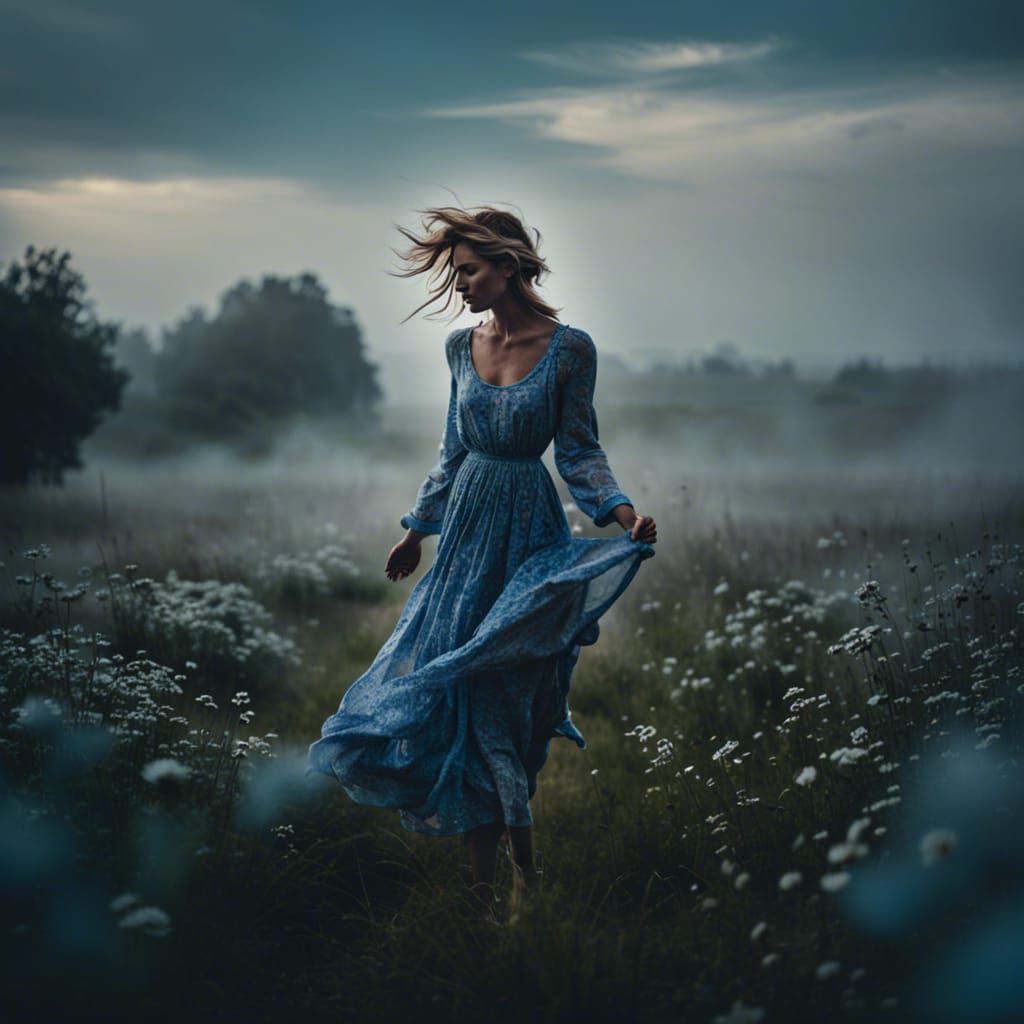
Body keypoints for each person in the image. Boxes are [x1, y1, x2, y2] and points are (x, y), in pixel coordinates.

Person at [307, 204, 657, 919]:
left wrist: (623, 515)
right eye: (455, 271)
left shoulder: (571, 350)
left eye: (467, 270)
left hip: (528, 533)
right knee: (463, 692)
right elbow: (452, 452)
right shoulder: (459, 349)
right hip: (466, 536)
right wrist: (417, 531)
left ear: (508, 265)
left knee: (507, 697)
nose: (458, 284)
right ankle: (492, 896)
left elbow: (580, 451)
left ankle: (519, 879)